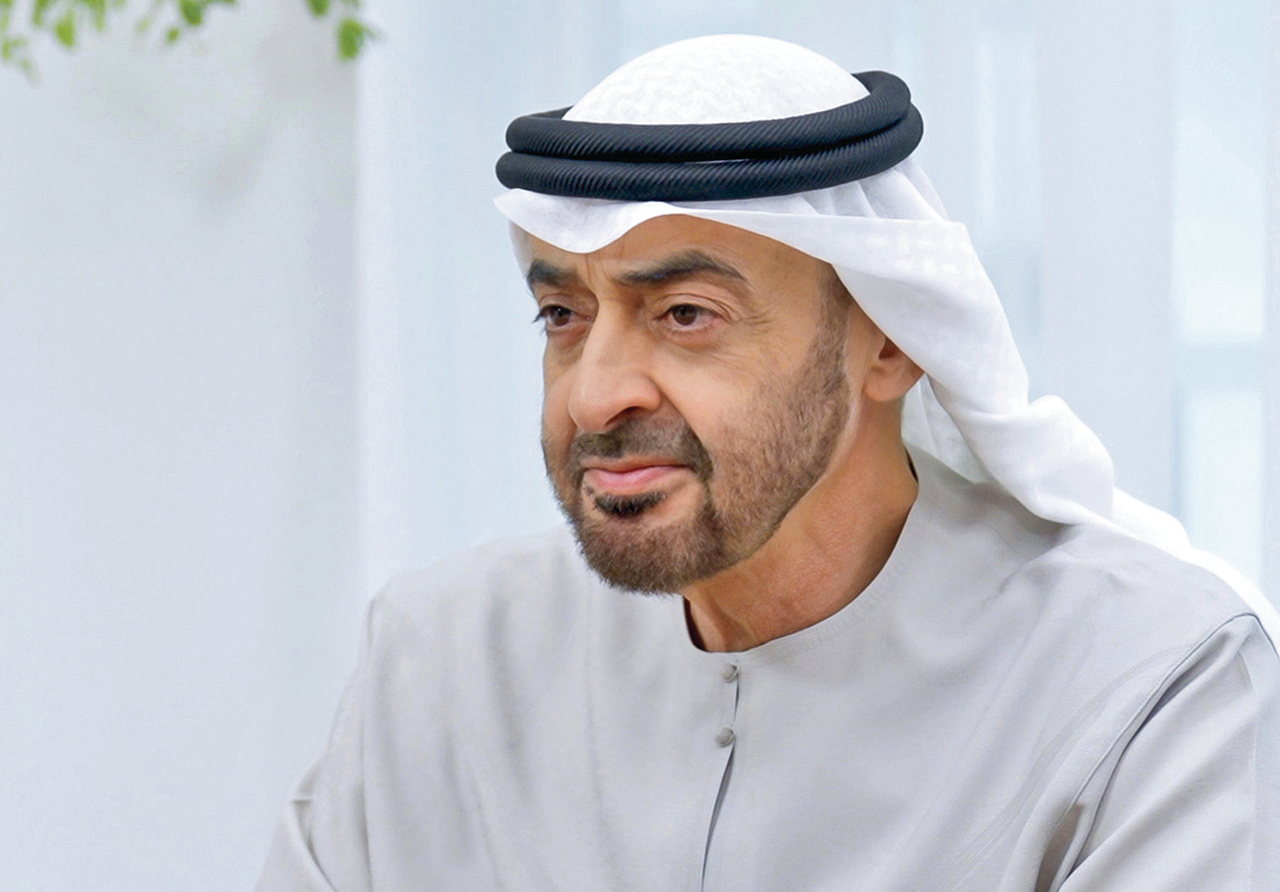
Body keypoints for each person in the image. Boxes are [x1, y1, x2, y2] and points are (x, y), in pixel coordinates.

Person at [257, 35, 1280, 891]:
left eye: (684, 314)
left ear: (889, 342)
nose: (593, 394)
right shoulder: (437, 661)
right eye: (563, 315)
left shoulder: (1148, 688)